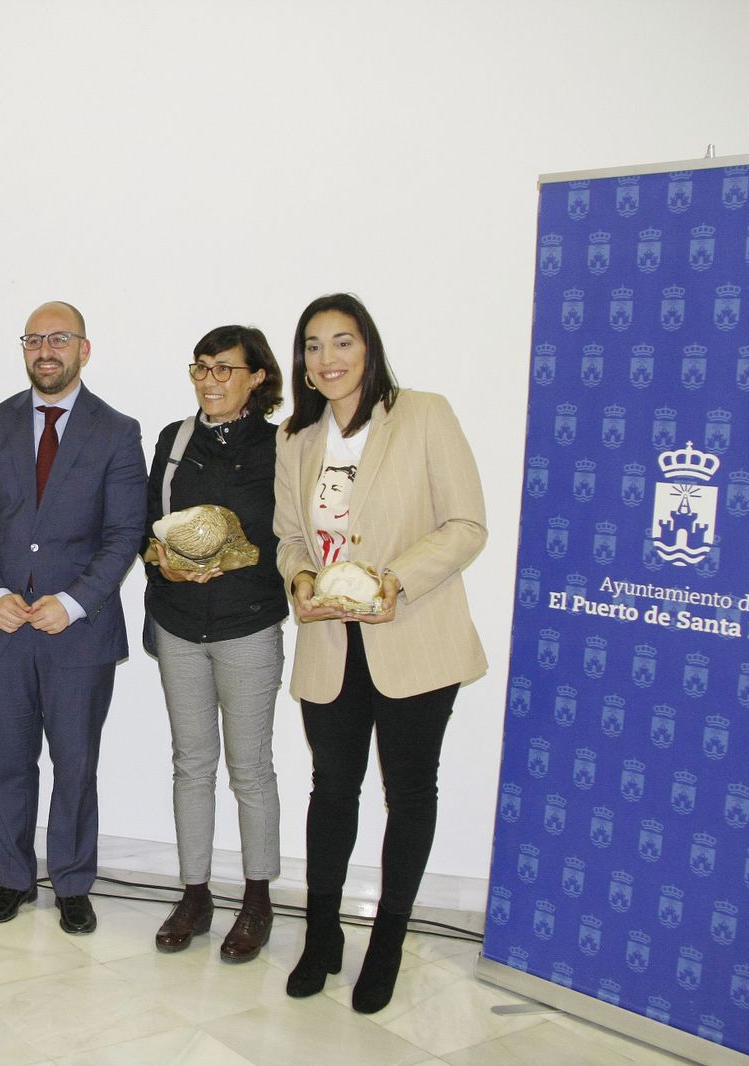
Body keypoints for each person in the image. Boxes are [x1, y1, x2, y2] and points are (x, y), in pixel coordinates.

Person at [273, 293, 486, 1012]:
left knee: (410, 791)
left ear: (369, 348)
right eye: (312, 346)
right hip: (330, 643)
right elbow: (289, 537)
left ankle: (389, 941)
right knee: (332, 789)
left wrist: (396, 579)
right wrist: (300, 580)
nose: (326, 358)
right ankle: (322, 935)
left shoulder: (424, 415)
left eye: (342, 342)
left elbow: (466, 524)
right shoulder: (296, 438)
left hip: (414, 636)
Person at [0, 301, 147, 935]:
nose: (45, 350)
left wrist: (73, 601)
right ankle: (12, 876)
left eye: (59, 338)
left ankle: (72, 882)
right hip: (4, 628)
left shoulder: (117, 431)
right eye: (34, 339)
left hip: (79, 633)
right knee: (9, 763)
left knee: (75, 765)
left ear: (84, 349)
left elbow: (125, 534)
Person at [143, 325, 287, 962]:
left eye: (225, 369)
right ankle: (194, 894)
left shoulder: (282, 447)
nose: (209, 380)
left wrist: (236, 560)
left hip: (247, 625)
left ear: (257, 377)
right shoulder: (174, 441)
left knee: (250, 768)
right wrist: (165, 567)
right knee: (191, 764)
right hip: (178, 624)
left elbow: (289, 538)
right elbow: (147, 529)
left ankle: (257, 898)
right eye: (201, 367)